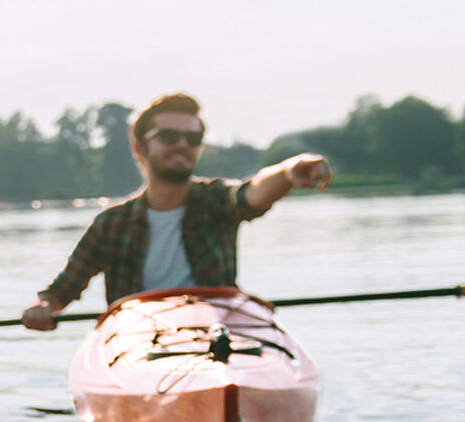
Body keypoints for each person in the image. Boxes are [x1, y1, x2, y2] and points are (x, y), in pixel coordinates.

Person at [21, 92, 333, 330]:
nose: (182, 144)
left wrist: (289, 171)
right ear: (140, 148)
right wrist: (43, 307)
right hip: (138, 340)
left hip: (217, 333)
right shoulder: (110, 224)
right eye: (168, 137)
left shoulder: (216, 200)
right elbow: (60, 292)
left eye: (192, 138)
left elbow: (253, 192)